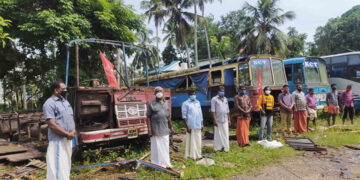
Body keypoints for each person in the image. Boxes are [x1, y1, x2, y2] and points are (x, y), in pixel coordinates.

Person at [43, 81, 75, 180]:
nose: (66, 91)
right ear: (56, 90)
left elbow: (71, 119)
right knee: (58, 166)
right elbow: (52, 125)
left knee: (66, 164)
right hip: (58, 140)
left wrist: (73, 131)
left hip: (68, 139)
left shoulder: (66, 102)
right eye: (63, 89)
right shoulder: (49, 104)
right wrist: (66, 134)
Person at [146, 86, 174, 168]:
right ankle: (157, 164)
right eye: (157, 91)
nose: (159, 92)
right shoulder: (151, 104)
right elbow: (148, 117)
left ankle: (166, 163)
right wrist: (149, 129)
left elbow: (168, 117)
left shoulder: (166, 103)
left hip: (165, 130)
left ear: (163, 92)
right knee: (157, 148)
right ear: (154, 93)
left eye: (160, 91)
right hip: (155, 130)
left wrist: (171, 127)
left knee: (165, 147)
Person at [182, 90, 203, 159]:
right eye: (191, 94)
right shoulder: (185, 103)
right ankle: (191, 155)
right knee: (191, 141)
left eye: (194, 94)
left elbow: (200, 114)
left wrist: (202, 124)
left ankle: (198, 154)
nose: (193, 96)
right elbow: (184, 116)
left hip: (198, 124)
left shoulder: (198, 102)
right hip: (191, 125)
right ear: (189, 95)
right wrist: (187, 126)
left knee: (198, 140)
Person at [211, 86, 230, 152]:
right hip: (218, 119)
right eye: (221, 91)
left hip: (225, 119)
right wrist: (214, 120)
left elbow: (227, 110)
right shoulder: (214, 99)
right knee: (218, 134)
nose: (222, 92)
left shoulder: (225, 99)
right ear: (218, 92)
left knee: (226, 133)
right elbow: (213, 111)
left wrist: (229, 119)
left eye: (223, 91)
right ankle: (217, 148)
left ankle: (226, 148)